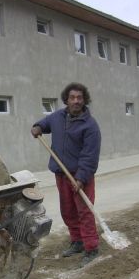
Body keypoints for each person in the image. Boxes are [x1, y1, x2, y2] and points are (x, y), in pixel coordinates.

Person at [31, 82, 102, 267]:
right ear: (66, 100)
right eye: (72, 98)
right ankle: (77, 241)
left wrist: (81, 178)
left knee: (84, 211)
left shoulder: (90, 125)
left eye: (79, 98)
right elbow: (44, 124)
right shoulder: (57, 117)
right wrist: (37, 127)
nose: (76, 101)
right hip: (61, 173)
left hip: (80, 175)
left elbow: (90, 155)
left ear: (84, 100)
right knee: (68, 210)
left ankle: (91, 247)